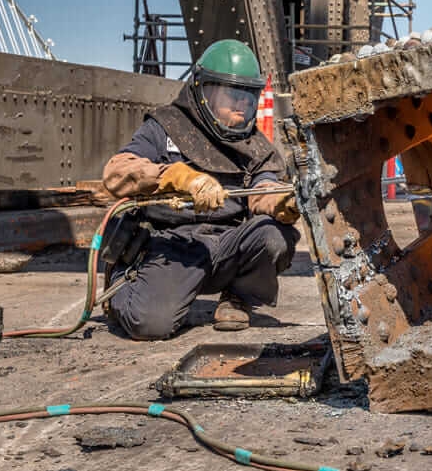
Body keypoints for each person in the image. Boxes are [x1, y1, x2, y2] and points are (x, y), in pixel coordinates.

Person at [101, 39, 300, 339]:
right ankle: (123, 289)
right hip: (171, 247)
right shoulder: (165, 126)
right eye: (232, 94)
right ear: (202, 91)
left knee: (274, 236)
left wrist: (279, 202)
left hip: (227, 245)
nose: (241, 105)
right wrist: (176, 177)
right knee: (149, 325)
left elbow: (264, 186)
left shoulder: (257, 148)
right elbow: (116, 172)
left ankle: (238, 297)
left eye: (248, 97)